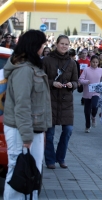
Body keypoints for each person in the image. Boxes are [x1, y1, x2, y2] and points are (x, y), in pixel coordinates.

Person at [3, 30, 52, 199]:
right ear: (34, 46)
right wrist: (26, 136)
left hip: (32, 129)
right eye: (42, 45)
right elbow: (22, 104)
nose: (43, 48)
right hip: (21, 130)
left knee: (31, 171)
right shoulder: (24, 70)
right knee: (18, 171)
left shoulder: (31, 67)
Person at [43, 35, 78, 169]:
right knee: (50, 133)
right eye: (62, 43)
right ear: (56, 44)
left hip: (66, 102)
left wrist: (72, 85)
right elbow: (41, 79)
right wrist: (53, 83)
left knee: (68, 130)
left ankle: (61, 157)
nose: (64, 46)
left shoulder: (72, 63)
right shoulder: (46, 60)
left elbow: (76, 81)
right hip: (50, 100)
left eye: (66, 44)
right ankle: (50, 160)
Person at [79, 55, 102, 133]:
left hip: (96, 92)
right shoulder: (86, 70)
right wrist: (86, 81)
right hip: (87, 92)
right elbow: (80, 79)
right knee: (87, 111)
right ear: (90, 62)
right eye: (93, 62)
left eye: (96, 62)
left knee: (95, 106)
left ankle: (93, 116)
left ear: (98, 63)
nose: (94, 63)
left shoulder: (100, 70)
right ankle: (87, 126)